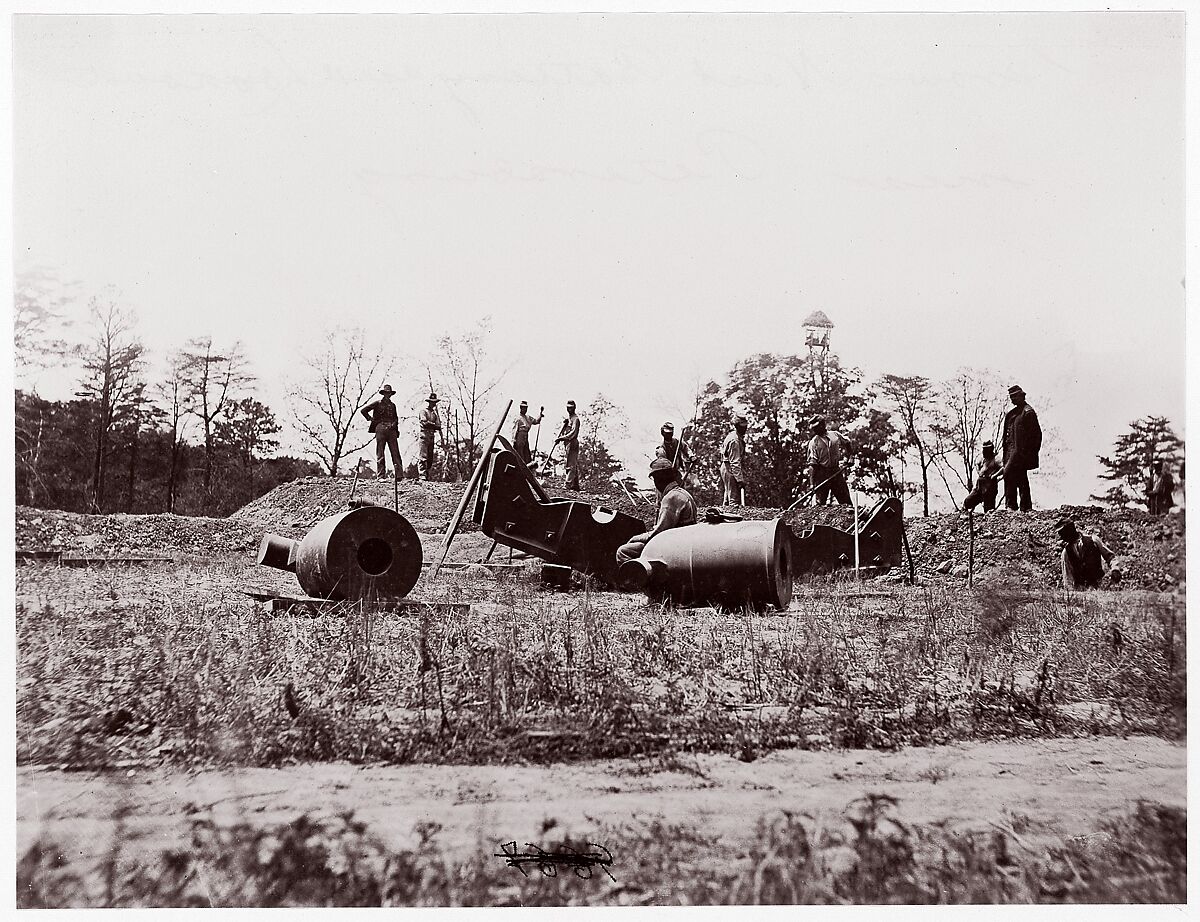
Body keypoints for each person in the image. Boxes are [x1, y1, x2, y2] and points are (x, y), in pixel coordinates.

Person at [615, 458, 698, 564]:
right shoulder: (683, 493)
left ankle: (640, 580)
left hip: (676, 546)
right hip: (685, 542)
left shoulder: (671, 498)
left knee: (623, 552)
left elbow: (660, 533)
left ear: (659, 479)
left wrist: (636, 538)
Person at [1000, 384, 1042, 511]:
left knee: (1022, 480)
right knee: (1009, 477)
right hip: (1010, 453)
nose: (1013, 399)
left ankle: (1025, 508)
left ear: (1021, 396)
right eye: (1011, 397)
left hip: (1021, 454)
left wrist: (1028, 454)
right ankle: (1011, 507)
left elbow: (1036, 436)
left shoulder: (1028, 413)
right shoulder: (1011, 414)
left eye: (1015, 396)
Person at [805, 416, 852, 505]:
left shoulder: (835, 435)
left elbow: (847, 442)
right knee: (820, 504)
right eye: (813, 428)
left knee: (846, 502)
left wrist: (849, 457)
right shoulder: (813, 443)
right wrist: (812, 484)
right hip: (822, 474)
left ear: (822, 425)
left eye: (816, 427)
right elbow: (812, 465)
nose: (814, 430)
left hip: (836, 472)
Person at [1057, 519, 1117, 590]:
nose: (1062, 538)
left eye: (1063, 534)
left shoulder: (1093, 540)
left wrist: (1115, 569)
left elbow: (1110, 557)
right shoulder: (1066, 552)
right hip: (1081, 590)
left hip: (1100, 586)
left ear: (1070, 530)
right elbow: (1068, 579)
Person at [360, 384, 402, 479]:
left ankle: (399, 475)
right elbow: (363, 410)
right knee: (380, 452)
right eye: (386, 393)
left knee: (395, 452)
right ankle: (381, 475)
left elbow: (396, 418)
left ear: (391, 394)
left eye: (389, 393)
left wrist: (394, 427)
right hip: (380, 428)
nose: (388, 395)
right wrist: (370, 419)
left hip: (391, 430)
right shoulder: (377, 403)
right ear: (383, 393)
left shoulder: (393, 405)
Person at [962, 440, 1003, 513]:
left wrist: (994, 475)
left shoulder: (996, 459)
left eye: (986, 449)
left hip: (989, 486)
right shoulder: (983, 459)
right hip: (980, 485)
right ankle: (965, 514)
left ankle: (988, 521)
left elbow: (1003, 468)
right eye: (983, 449)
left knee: (988, 509)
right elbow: (977, 464)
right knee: (968, 501)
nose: (984, 451)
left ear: (990, 449)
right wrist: (979, 472)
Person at [720, 416, 749, 506]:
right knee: (734, 499)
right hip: (730, 469)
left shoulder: (736, 436)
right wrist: (740, 480)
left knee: (728, 495)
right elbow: (734, 462)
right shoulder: (734, 440)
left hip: (729, 468)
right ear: (737, 426)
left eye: (745, 426)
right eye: (742, 427)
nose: (744, 429)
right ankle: (732, 517)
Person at [555, 400, 582, 490]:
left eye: (571, 408)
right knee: (572, 463)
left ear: (574, 408)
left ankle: (568, 484)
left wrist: (562, 438)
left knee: (570, 464)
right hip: (567, 443)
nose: (569, 409)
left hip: (572, 442)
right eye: (568, 408)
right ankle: (575, 485)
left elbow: (573, 433)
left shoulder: (576, 419)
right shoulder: (569, 419)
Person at [418, 393, 442, 481]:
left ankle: (427, 475)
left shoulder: (434, 414)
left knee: (430, 458)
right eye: (432, 402)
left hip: (431, 436)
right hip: (424, 436)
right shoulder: (423, 411)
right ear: (429, 402)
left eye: (435, 402)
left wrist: (431, 425)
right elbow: (424, 423)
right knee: (423, 456)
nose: (433, 404)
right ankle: (422, 475)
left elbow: (439, 426)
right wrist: (433, 425)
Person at [511, 401, 543, 465]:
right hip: (520, 436)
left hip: (526, 435)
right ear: (520, 408)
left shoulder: (528, 417)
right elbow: (514, 430)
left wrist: (540, 414)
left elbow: (536, 421)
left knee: (526, 452)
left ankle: (526, 465)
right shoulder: (518, 418)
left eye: (525, 408)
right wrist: (514, 440)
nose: (524, 409)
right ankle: (520, 465)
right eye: (523, 408)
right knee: (520, 452)